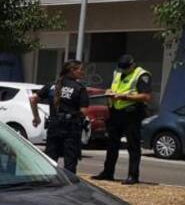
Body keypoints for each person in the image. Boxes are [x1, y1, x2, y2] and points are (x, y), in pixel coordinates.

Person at [93, 54, 152, 185]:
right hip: (115, 112)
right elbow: (114, 87)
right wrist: (109, 92)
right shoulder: (117, 72)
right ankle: (108, 172)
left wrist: (124, 97)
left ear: (133, 65)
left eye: (126, 68)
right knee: (112, 144)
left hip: (131, 113)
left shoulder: (142, 75)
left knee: (133, 146)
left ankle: (133, 175)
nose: (123, 70)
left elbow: (146, 97)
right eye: (121, 68)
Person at [30, 59, 90, 173]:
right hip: (71, 127)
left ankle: (50, 181)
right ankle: (69, 184)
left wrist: (36, 117)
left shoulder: (51, 85)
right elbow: (84, 111)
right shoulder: (79, 88)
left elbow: (33, 100)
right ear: (72, 70)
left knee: (51, 157)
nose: (83, 73)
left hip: (54, 124)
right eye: (81, 70)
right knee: (70, 159)